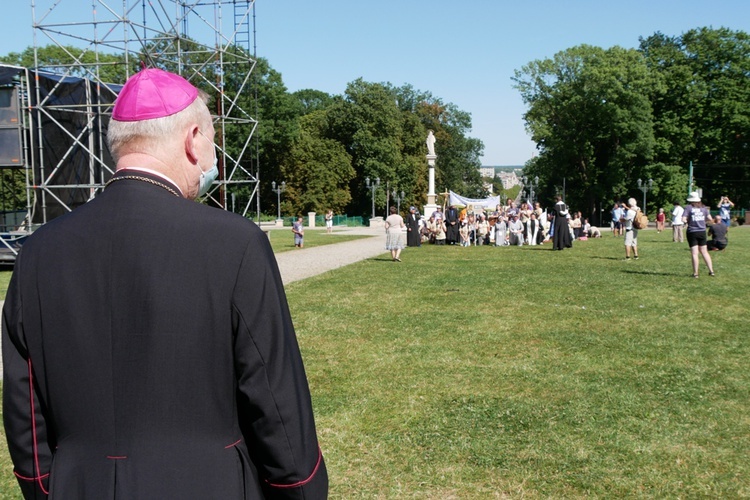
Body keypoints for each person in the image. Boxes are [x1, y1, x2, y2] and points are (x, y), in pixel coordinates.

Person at [1, 68, 327, 498]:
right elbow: (275, 400)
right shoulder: (235, 243)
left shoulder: (38, 252)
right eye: (214, 143)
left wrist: (51, 488)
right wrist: (301, 489)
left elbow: (26, 408)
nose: (213, 162)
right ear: (193, 139)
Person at [683, 191, 715, 277]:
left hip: (692, 231)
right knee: (704, 252)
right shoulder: (704, 208)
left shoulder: (688, 208)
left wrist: (687, 221)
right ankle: (711, 271)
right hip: (702, 231)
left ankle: (695, 273)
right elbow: (710, 219)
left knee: (694, 253)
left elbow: (683, 219)